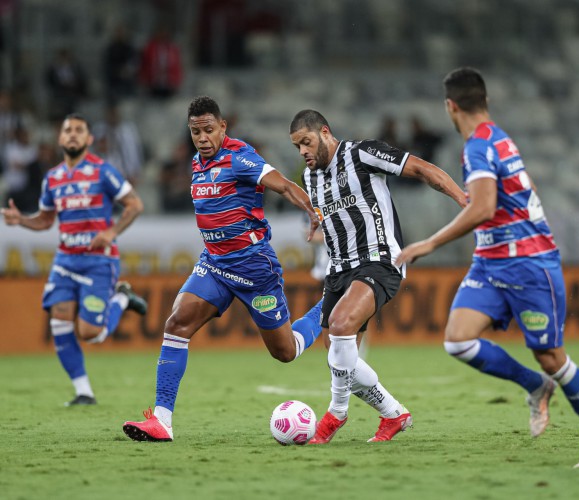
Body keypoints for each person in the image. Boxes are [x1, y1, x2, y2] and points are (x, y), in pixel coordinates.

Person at [396, 67, 579, 468]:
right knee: (458, 340)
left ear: (450, 106)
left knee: (552, 357)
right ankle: (535, 386)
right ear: (486, 101)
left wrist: (429, 242)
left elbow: (483, 207)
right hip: (491, 261)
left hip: (529, 263)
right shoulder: (496, 138)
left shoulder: (479, 147)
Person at [122, 96, 323, 442]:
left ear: (223, 127)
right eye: (195, 131)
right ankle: (161, 420)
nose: (202, 138)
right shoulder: (197, 164)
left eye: (209, 130)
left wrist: (313, 213)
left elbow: (285, 186)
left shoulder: (240, 157)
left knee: (285, 352)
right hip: (214, 264)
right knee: (177, 323)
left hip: (253, 266)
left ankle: (328, 307)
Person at [289, 109, 466, 443]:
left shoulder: (363, 153)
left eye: (306, 142)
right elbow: (323, 215)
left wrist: (464, 200)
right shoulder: (310, 178)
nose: (302, 152)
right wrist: (314, 221)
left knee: (341, 325)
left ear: (325, 132)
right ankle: (394, 414)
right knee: (339, 359)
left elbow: (422, 169)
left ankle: (335, 414)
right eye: (297, 146)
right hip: (338, 270)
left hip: (379, 260)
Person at [1, 113, 148, 406]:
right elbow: (45, 221)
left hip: (98, 262)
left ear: (89, 139)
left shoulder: (103, 171)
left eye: (79, 130)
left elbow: (135, 204)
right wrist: (21, 220)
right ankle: (84, 392)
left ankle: (121, 298)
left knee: (91, 333)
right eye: (68, 130)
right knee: (59, 322)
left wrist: (111, 231)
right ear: (60, 138)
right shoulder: (52, 178)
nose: (72, 135)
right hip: (66, 262)